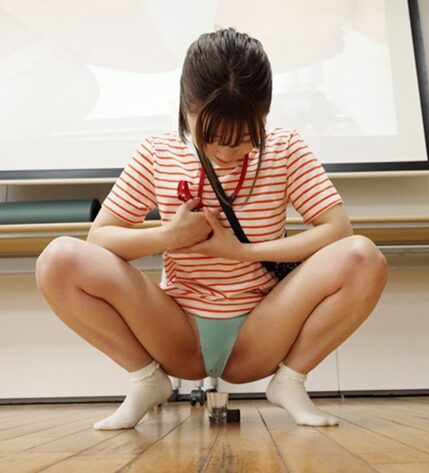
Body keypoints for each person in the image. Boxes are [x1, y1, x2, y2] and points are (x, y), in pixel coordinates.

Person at [35, 28, 387, 430]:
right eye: (213, 137)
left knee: (364, 257)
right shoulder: (158, 153)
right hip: (177, 331)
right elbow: (100, 239)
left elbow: (337, 230)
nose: (225, 151)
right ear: (186, 109)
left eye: (245, 138)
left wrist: (242, 252)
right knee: (57, 259)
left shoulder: (286, 148)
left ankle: (289, 382)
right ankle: (146, 379)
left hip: (262, 329)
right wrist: (168, 237)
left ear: (264, 116)